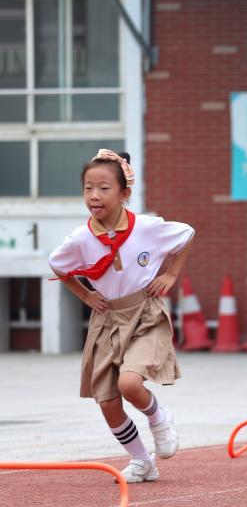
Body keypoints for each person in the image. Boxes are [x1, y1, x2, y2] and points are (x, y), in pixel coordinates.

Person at [48, 149, 189, 483]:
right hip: (107, 320)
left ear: (125, 193)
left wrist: (170, 274)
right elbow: (58, 265)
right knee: (107, 401)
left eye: (104, 188)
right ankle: (142, 461)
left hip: (144, 315)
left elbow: (186, 236)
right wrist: (85, 295)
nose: (94, 196)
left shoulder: (147, 228)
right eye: (88, 188)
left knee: (129, 383)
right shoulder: (81, 238)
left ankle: (159, 418)